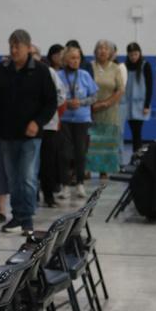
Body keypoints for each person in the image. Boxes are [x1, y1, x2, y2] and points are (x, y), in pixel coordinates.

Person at [0, 29, 58, 234]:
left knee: (27, 177)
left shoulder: (41, 71)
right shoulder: (1, 70)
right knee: (13, 178)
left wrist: (38, 122)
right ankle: (16, 216)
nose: (13, 50)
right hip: (7, 134)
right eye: (11, 46)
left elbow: (51, 102)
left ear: (28, 48)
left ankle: (27, 218)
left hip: (31, 136)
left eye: (17, 46)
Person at [58, 46, 98, 200]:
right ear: (65, 60)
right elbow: (53, 96)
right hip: (64, 120)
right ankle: (65, 185)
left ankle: (80, 183)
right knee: (65, 153)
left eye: (77, 58)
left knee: (81, 152)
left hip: (82, 119)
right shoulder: (58, 75)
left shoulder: (85, 75)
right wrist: (66, 103)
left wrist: (81, 102)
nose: (75, 61)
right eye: (72, 58)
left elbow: (94, 96)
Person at [88, 40, 126, 179]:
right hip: (91, 109)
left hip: (110, 110)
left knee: (107, 141)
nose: (103, 51)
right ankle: (87, 170)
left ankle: (104, 171)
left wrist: (106, 103)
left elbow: (120, 90)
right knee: (92, 141)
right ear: (95, 51)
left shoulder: (116, 68)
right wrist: (92, 105)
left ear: (110, 52)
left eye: (106, 48)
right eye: (100, 48)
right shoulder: (90, 66)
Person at [40, 44, 67, 207]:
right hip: (26, 126)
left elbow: (61, 95)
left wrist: (46, 110)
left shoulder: (49, 72)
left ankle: (49, 195)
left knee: (48, 161)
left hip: (48, 125)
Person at [122, 42, 153, 154]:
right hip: (128, 104)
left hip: (140, 104)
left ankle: (137, 154)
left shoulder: (145, 65)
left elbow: (149, 86)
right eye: (131, 55)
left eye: (135, 54)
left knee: (137, 131)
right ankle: (136, 154)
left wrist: (146, 105)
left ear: (139, 53)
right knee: (133, 131)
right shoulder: (124, 66)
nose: (134, 57)